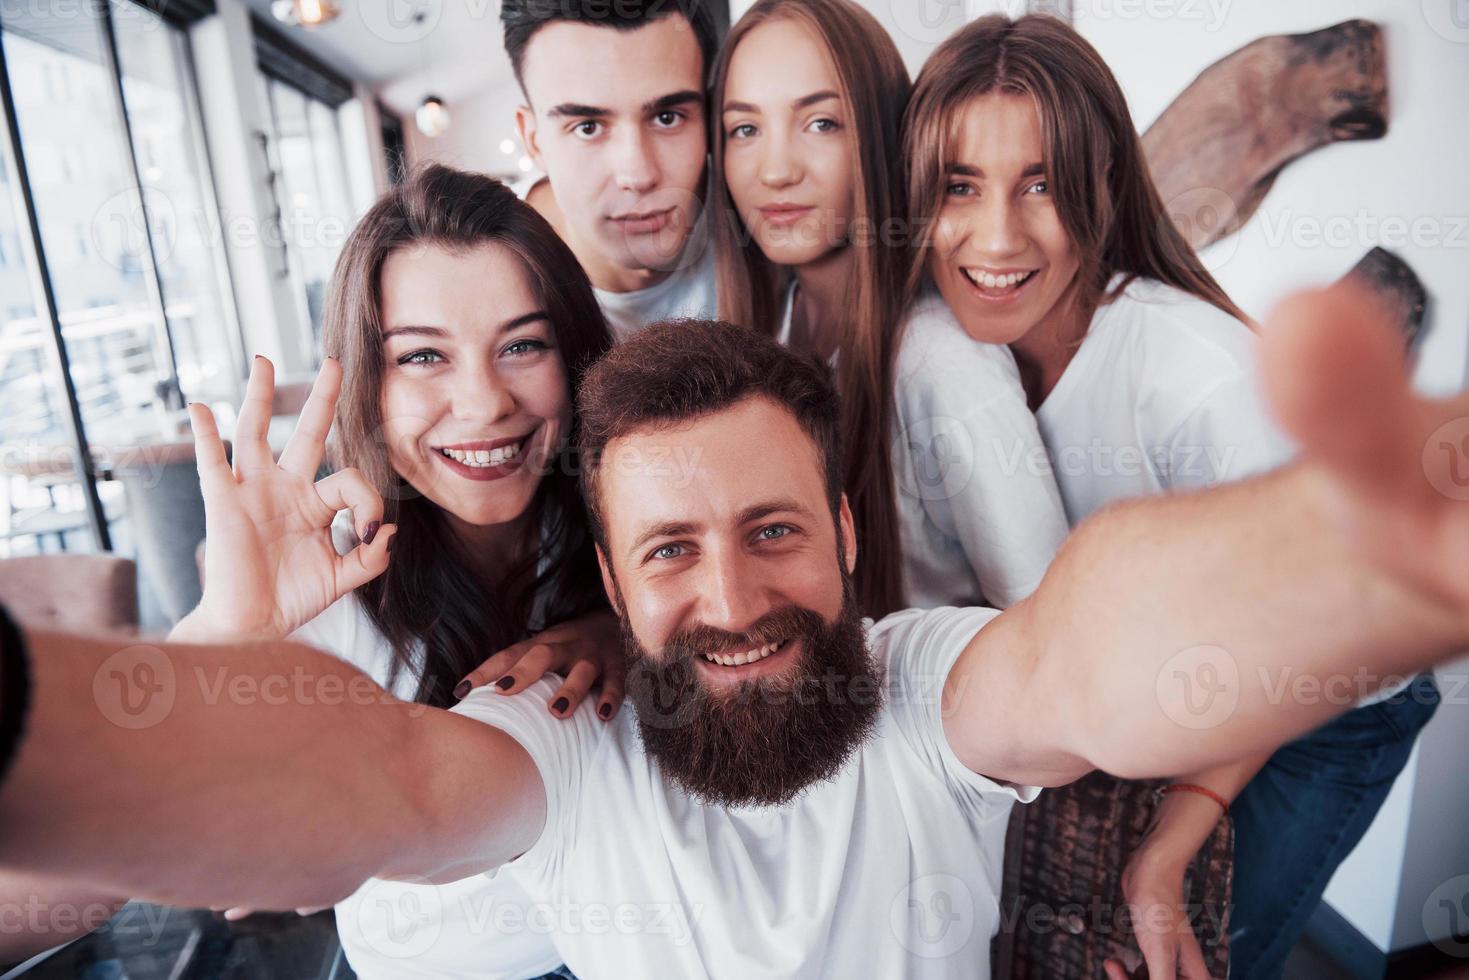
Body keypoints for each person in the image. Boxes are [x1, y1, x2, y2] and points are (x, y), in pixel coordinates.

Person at [4, 285, 1468, 979]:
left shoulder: (923, 683)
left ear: (841, 533)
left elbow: (1090, 646)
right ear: (613, 579)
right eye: (669, 552)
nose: (729, 601)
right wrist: (184, 657)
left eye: (772, 531)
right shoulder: (563, 748)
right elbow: (369, 786)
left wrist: (1349, 553)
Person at [902, 15, 1439, 979]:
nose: (994, 237)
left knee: (1201, 949)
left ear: (1103, 189)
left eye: (1041, 186)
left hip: (1326, 697)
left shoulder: (1196, 381)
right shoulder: (952, 350)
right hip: (1202, 670)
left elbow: (1297, 643)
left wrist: (1166, 849)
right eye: (957, 186)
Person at [170, 164, 622, 979]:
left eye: (521, 345)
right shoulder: (329, 578)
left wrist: (619, 627)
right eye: (422, 358)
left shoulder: (635, 520)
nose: (483, 403)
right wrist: (226, 635)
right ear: (367, 385)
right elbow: (176, 828)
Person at [711, 0, 1068, 617]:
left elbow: (1050, 620)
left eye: (820, 123)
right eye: (745, 129)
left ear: (879, 134)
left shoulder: (940, 359)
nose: (775, 171)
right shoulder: (776, 326)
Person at [502, 0, 720, 340]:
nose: (638, 176)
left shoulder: (767, 219)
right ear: (534, 140)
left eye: (668, 117)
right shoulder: (493, 272)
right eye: (587, 127)